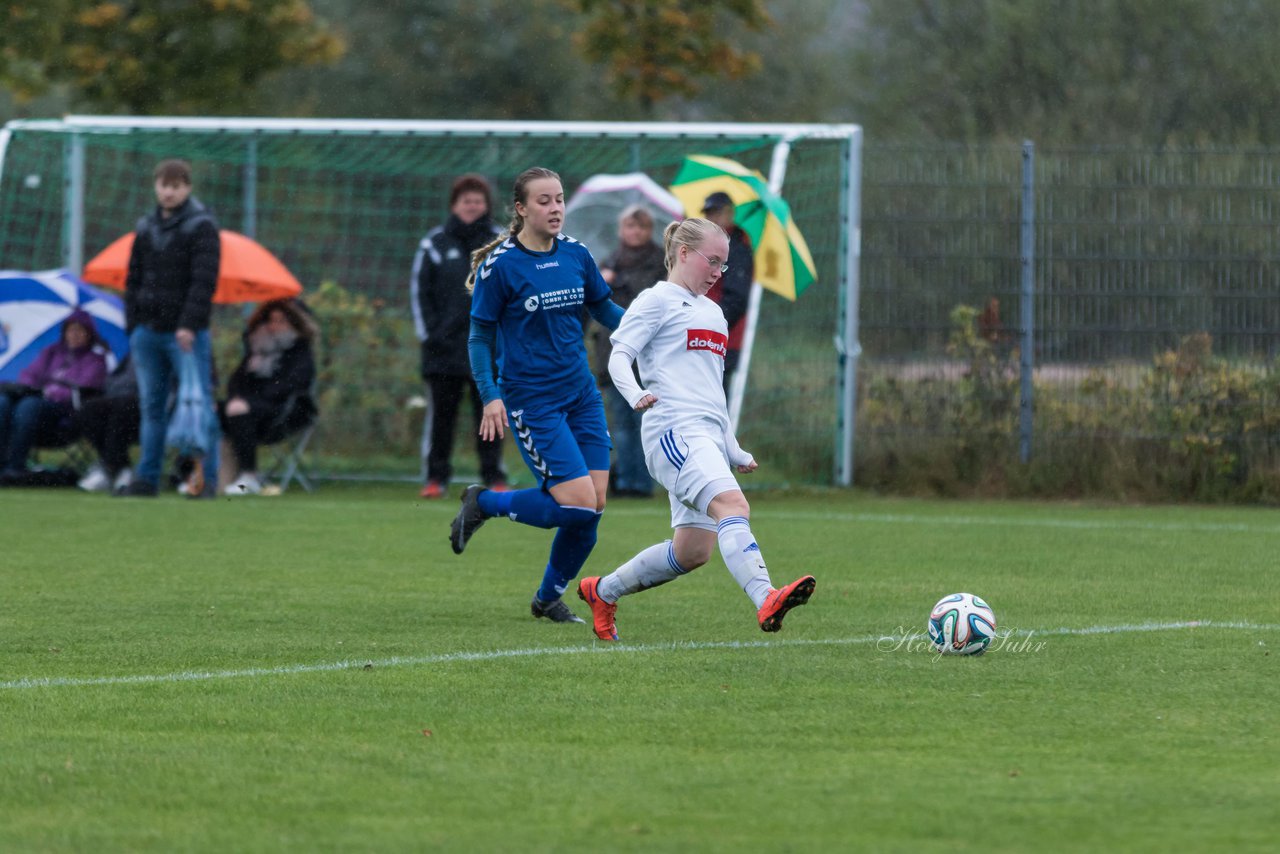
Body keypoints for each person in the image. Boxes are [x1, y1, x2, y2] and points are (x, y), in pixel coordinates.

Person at [575, 217, 816, 641]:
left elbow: (712, 393)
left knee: (692, 552)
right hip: (673, 430)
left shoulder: (714, 314)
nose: (718, 273)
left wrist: (733, 447)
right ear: (683, 253)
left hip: (704, 435)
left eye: (724, 265)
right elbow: (619, 355)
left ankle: (602, 591)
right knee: (733, 507)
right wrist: (634, 395)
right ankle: (766, 597)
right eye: (713, 261)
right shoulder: (655, 301)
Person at [448, 166, 626, 625]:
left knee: (593, 507)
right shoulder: (501, 266)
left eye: (560, 199)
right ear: (521, 209)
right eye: (544, 201)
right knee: (575, 504)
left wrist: (657, 330)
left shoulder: (576, 255)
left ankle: (547, 598)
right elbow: (479, 338)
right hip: (533, 401)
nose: (555, 209)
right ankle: (484, 502)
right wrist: (491, 395)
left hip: (581, 394)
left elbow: (604, 308)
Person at [119, 157, 221, 498]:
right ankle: (147, 478)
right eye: (164, 185)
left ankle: (203, 480)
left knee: (198, 404)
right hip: (147, 331)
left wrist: (189, 324)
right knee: (152, 406)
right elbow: (133, 278)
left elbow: (203, 282)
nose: (168, 192)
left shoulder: (202, 226)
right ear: (156, 186)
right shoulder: (146, 226)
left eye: (175, 186)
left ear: (187, 188)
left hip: (184, 335)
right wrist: (132, 323)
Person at [411, 173, 508, 499]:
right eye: (466, 200)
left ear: (486, 205)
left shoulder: (501, 241)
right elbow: (419, 292)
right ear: (455, 204)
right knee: (442, 417)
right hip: (444, 349)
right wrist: (431, 335)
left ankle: (494, 476)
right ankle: (436, 478)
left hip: (489, 347)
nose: (471, 206)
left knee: (491, 414)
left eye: (477, 201)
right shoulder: (434, 243)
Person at [593, 205, 666, 498]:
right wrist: (603, 281)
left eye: (641, 227)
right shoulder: (608, 261)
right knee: (621, 425)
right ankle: (624, 481)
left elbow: (652, 301)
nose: (635, 232)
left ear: (649, 231)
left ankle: (644, 482)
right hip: (611, 352)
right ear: (621, 230)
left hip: (647, 358)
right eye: (630, 227)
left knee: (644, 424)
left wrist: (619, 282)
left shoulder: (661, 264)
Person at [219, 298, 318, 496]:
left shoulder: (300, 351)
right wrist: (238, 398)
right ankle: (200, 475)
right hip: (250, 410)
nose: (274, 326)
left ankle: (249, 477)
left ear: (294, 323)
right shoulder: (256, 350)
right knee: (211, 409)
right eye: (271, 320)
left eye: (282, 321)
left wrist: (249, 401)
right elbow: (237, 381)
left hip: (287, 412)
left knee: (238, 410)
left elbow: (290, 385)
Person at [0, 310, 107, 481]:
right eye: (71, 330)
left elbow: (86, 388)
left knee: (28, 406)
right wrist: (31, 388)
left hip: (63, 414)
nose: (75, 335)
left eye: (80, 331)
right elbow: (29, 375)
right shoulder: (51, 352)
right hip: (34, 405)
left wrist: (50, 391)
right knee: (3, 402)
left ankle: (15, 466)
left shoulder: (95, 360)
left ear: (89, 334)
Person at [699, 192, 753, 391]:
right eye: (708, 213)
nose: (711, 219)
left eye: (716, 213)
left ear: (729, 213)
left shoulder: (737, 249)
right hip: (704, 336)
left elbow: (737, 299)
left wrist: (709, 324)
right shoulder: (708, 247)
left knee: (716, 401)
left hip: (722, 340)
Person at [75, 354, 140, 493]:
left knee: (123, 408)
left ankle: (111, 468)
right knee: (89, 409)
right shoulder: (131, 356)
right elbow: (111, 380)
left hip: (148, 406)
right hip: (119, 397)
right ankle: (119, 467)